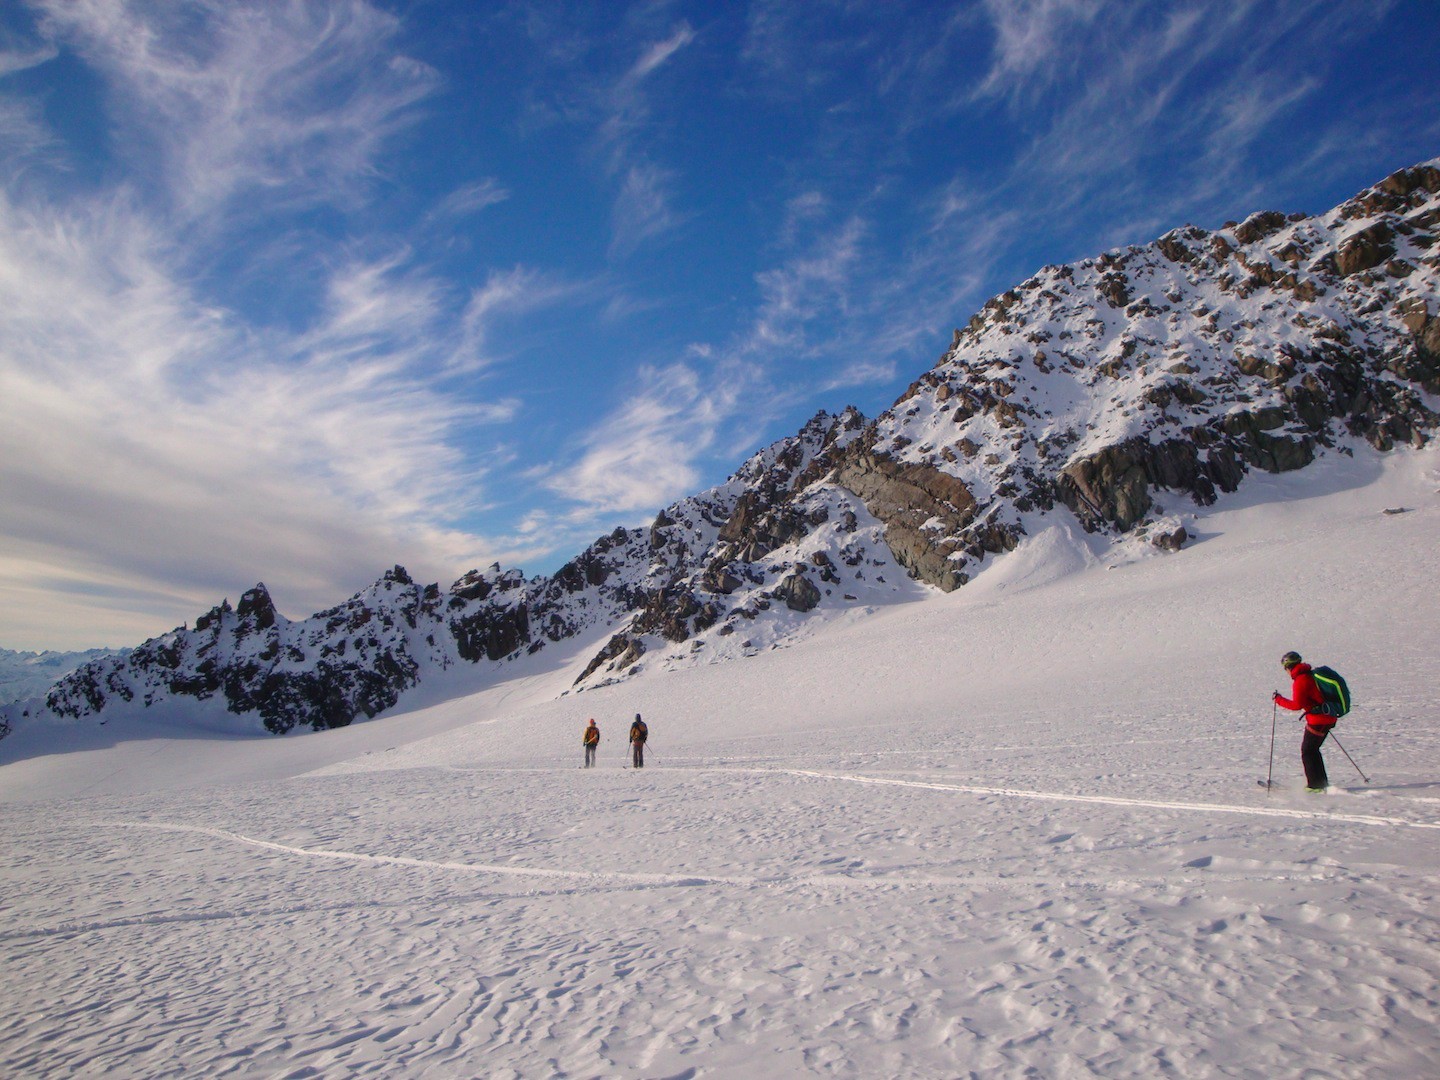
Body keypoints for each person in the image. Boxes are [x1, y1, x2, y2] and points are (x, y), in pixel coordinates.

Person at [1272, 650, 1332, 792]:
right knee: (1312, 750)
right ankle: (1320, 783)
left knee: (1308, 751)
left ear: (1288, 667)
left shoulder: (1301, 680)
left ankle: (1315, 786)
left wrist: (1278, 699)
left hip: (1318, 719)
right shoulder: (1309, 674)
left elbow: (1296, 705)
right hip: (1327, 716)